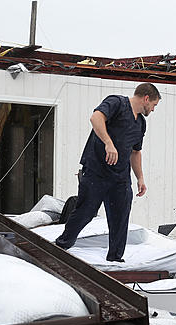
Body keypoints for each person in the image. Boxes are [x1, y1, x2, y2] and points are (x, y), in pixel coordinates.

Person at [54, 83, 161, 262]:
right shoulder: (117, 103)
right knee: (85, 212)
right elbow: (95, 118)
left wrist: (140, 178)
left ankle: (115, 258)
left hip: (120, 178)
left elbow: (135, 152)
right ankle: (61, 246)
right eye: (154, 105)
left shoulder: (141, 123)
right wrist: (108, 143)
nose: (153, 109)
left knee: (120, 218)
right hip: (96, 171)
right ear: (146, 98)